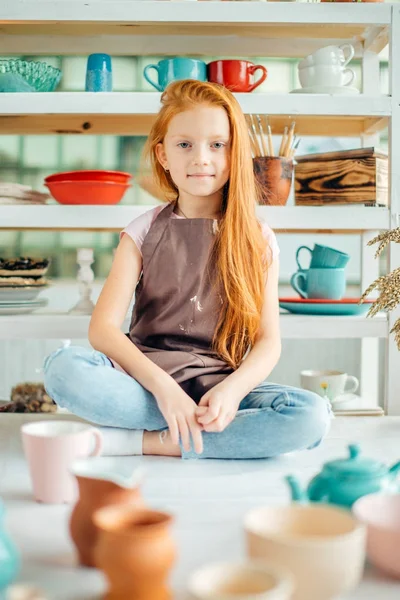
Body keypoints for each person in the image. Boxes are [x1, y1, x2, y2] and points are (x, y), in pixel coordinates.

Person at [43, 79, 330, 460]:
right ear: (163, 156)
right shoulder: (142, 230)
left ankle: (141, 441)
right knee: (63, 369)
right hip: (146, 382)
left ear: (234, 154)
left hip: (217, 389)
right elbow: (102, 331)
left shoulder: (258, 238)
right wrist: (165, 391)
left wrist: (231, 393)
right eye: (184, 145)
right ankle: (198, 436)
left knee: (311, 417)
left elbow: (268, 342)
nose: (201, 158)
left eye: (217, 145)